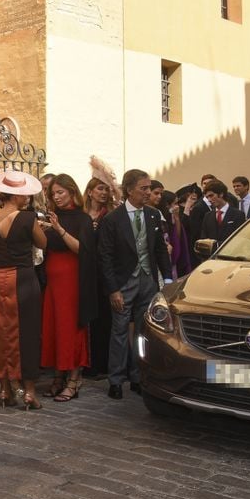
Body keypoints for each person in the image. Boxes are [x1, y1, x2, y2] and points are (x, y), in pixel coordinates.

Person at [97, 169, 172, 400]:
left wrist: (167, 279)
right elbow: (105, 257)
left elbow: (159, 249)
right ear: (129, 190)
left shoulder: (152, 215)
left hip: (147, 281)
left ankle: (138, 376)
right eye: (144, 188)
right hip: (123, 283)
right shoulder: (112, 219)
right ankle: (116, 379)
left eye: (149, 188)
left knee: (143, 332)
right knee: (119, 331)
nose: (148, 192)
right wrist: (113, 289)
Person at [0, 170, 47, 410]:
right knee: (27, 333)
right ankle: (28, 391)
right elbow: (42, 243)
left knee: (1, 332)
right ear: (15, 195)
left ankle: (6, 389)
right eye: (24, 194)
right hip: (24, 278)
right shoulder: (28, 219)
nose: (27, 198)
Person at [41, 174, 97, 402]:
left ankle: (73, 379)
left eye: (60, 192)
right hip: (53, 282)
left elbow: (81, 249)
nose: (56, 197)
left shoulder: (82, 219)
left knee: (70, 328)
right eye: (53, 193)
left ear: (72, 192)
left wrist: (59, 229)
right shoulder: (53, 216)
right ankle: (57, 376)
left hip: (72, 282)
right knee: (54, 327)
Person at [82, 173, 116, 379]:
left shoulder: (111, 215)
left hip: (105, 272)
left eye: (106, 189)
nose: (103, 193)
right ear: (90, 192)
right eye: (99, 189)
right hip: (85, 272)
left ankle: (102, 364)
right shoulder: (82, 214)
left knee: (104, 319)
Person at [158, 190, 191, 279]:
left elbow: (178, 237)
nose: (177, 206)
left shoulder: (172, 217)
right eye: (175, 203)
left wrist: (176, 218)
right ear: (167, 205)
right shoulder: (160, 218)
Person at [199, 179, 245, 243]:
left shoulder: (238, 215)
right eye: (207, 197)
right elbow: (204, 240)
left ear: (221, 194)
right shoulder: (207, 216)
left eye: (211, 196)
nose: (209, 200)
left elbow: (240, 240)